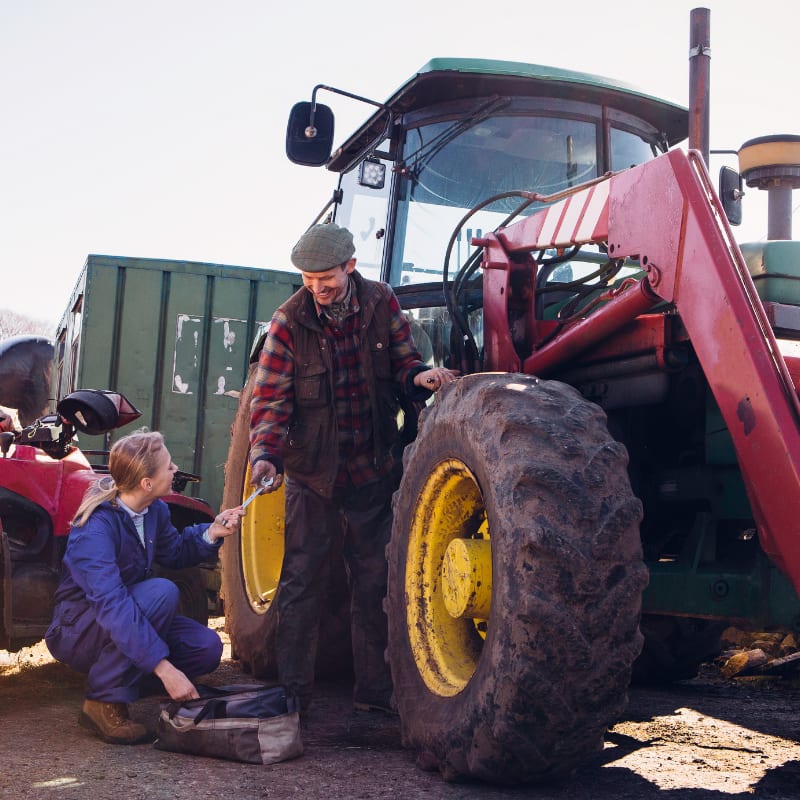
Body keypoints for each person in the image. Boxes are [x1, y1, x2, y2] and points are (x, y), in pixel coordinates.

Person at [249, 222, 457, 714]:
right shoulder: (288, 322)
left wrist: (421, 375)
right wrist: (264, 456)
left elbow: (405, 364)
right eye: (308, 281)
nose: (317, 290)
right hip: (312, 476)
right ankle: (294, 695)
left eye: (326, 279)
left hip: (370, 468)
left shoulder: (382, 303)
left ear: (351, 266)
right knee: (301, 584)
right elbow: (271, 401)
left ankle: (376, 694)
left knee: (375, 580)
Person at [45, 429, 245, 744]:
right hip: (81, 629)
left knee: (206, 648)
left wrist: (213, 532)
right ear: (146, 483)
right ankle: (101, 702)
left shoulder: (153, 511)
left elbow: (175, 550)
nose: (175, 469)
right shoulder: (94, 528)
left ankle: (127, 681)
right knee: (161, 593)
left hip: (124, 616)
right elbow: (113, 607)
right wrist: (165, 669)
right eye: (169, 466)